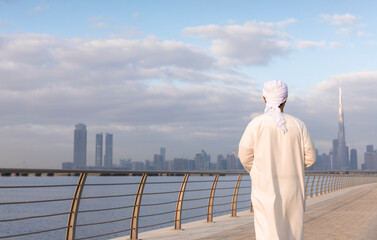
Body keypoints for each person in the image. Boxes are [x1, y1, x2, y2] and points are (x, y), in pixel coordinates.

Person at [238, 80, 316, 240]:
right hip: (293, 190)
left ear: (264, 98)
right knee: (293, 233)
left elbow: (244, 156)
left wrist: (259, 170)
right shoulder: (299, 125)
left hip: (265, 189)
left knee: (267, 233)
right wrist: (293, 166)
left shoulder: (255, 124)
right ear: (285, 99)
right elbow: (311, 158)